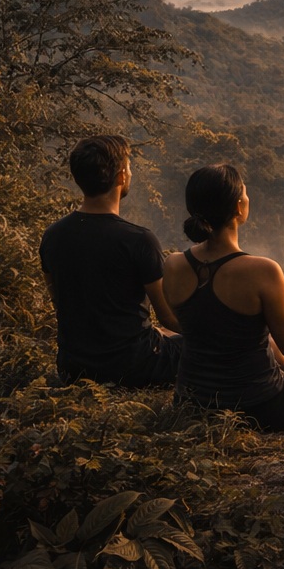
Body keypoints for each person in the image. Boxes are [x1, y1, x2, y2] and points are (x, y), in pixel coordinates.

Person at [162, 163, 284, 431]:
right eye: (246, 194)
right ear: (239, 207)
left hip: (191, 403)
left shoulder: (173, 264)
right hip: (260, 407)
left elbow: (206, 325)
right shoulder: (262, 271)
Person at [40, 134, 183, 387]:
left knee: (164, 336)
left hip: (73, 368)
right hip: (135, 365)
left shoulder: (52, 236)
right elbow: (168, 316)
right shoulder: (138, 240)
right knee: (208, 350)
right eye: (129, 166)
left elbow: (60, 304)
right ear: (120, 176)